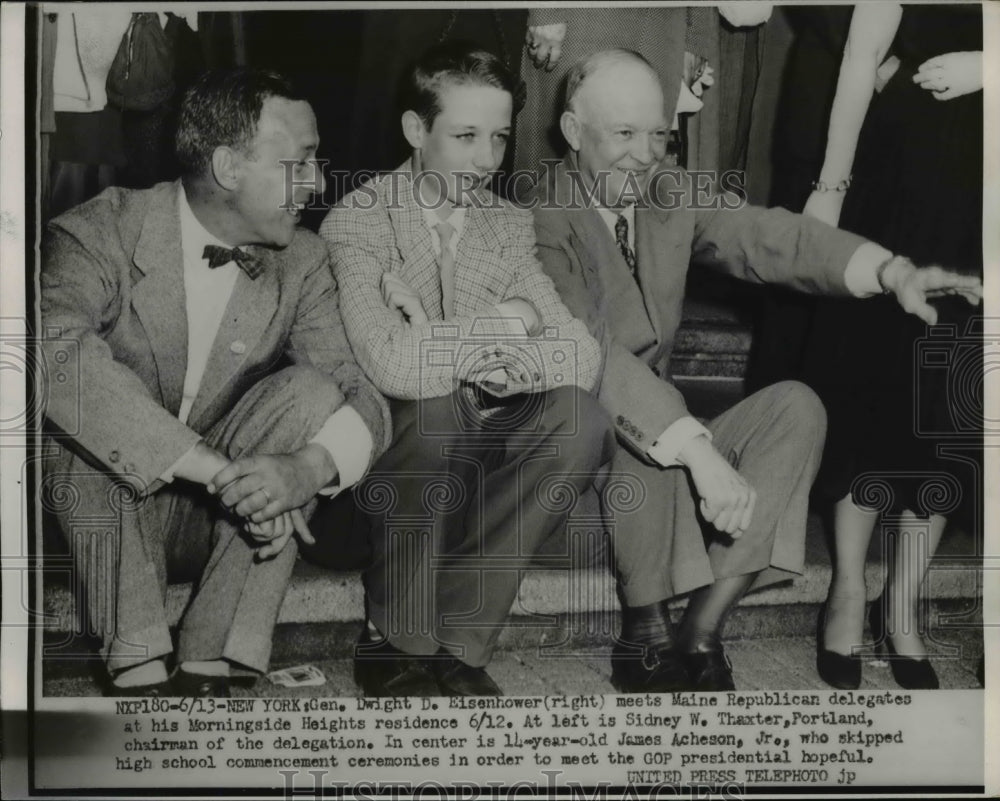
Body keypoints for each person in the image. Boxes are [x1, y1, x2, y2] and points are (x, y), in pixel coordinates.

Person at [528, 50, 982, 692]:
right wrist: (699, 453)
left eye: (657, 134)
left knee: (798, 406)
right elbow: (592, 354)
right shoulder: (538, 213)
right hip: (579, 454)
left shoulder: (667, 189)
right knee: (640, 413)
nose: (644, 153)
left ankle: (701, 629)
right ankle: (645, 630)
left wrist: (892, 270)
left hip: (655, 437)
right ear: (574, 133)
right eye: (622, 134)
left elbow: (770, 237)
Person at [40, 69, 390, 697]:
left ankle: (212, 662)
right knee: (78, 409)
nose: (316, 182)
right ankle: (139, 666)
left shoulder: (303, 260)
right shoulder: (98, 231)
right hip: (98, 520)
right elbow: (53, 356)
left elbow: (362, 395)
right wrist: (218, 472)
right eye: (301, 161)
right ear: (229, 166)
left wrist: (305, 470)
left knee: (312, 394)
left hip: (216, 524)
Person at [320, 42, 614, 697]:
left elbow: (581, 352)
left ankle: (459, 637)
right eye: (466, 136)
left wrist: (494, 332)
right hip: (381, 483)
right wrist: (505, 325)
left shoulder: (505, 224)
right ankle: (394, 634)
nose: (487, 160)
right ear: (415, 130)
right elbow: (393, 364)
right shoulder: (359, 219)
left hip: (474, 465)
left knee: (579, 416)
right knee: (432, 406)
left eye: (501, 138)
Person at [799, 3, 983, 691]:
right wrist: (830, 186)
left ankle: (900, 602)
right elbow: (859, 56)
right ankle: (848, 590)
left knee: (950, 404)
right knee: (870, 382)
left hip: (984, 198)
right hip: (905, 175)